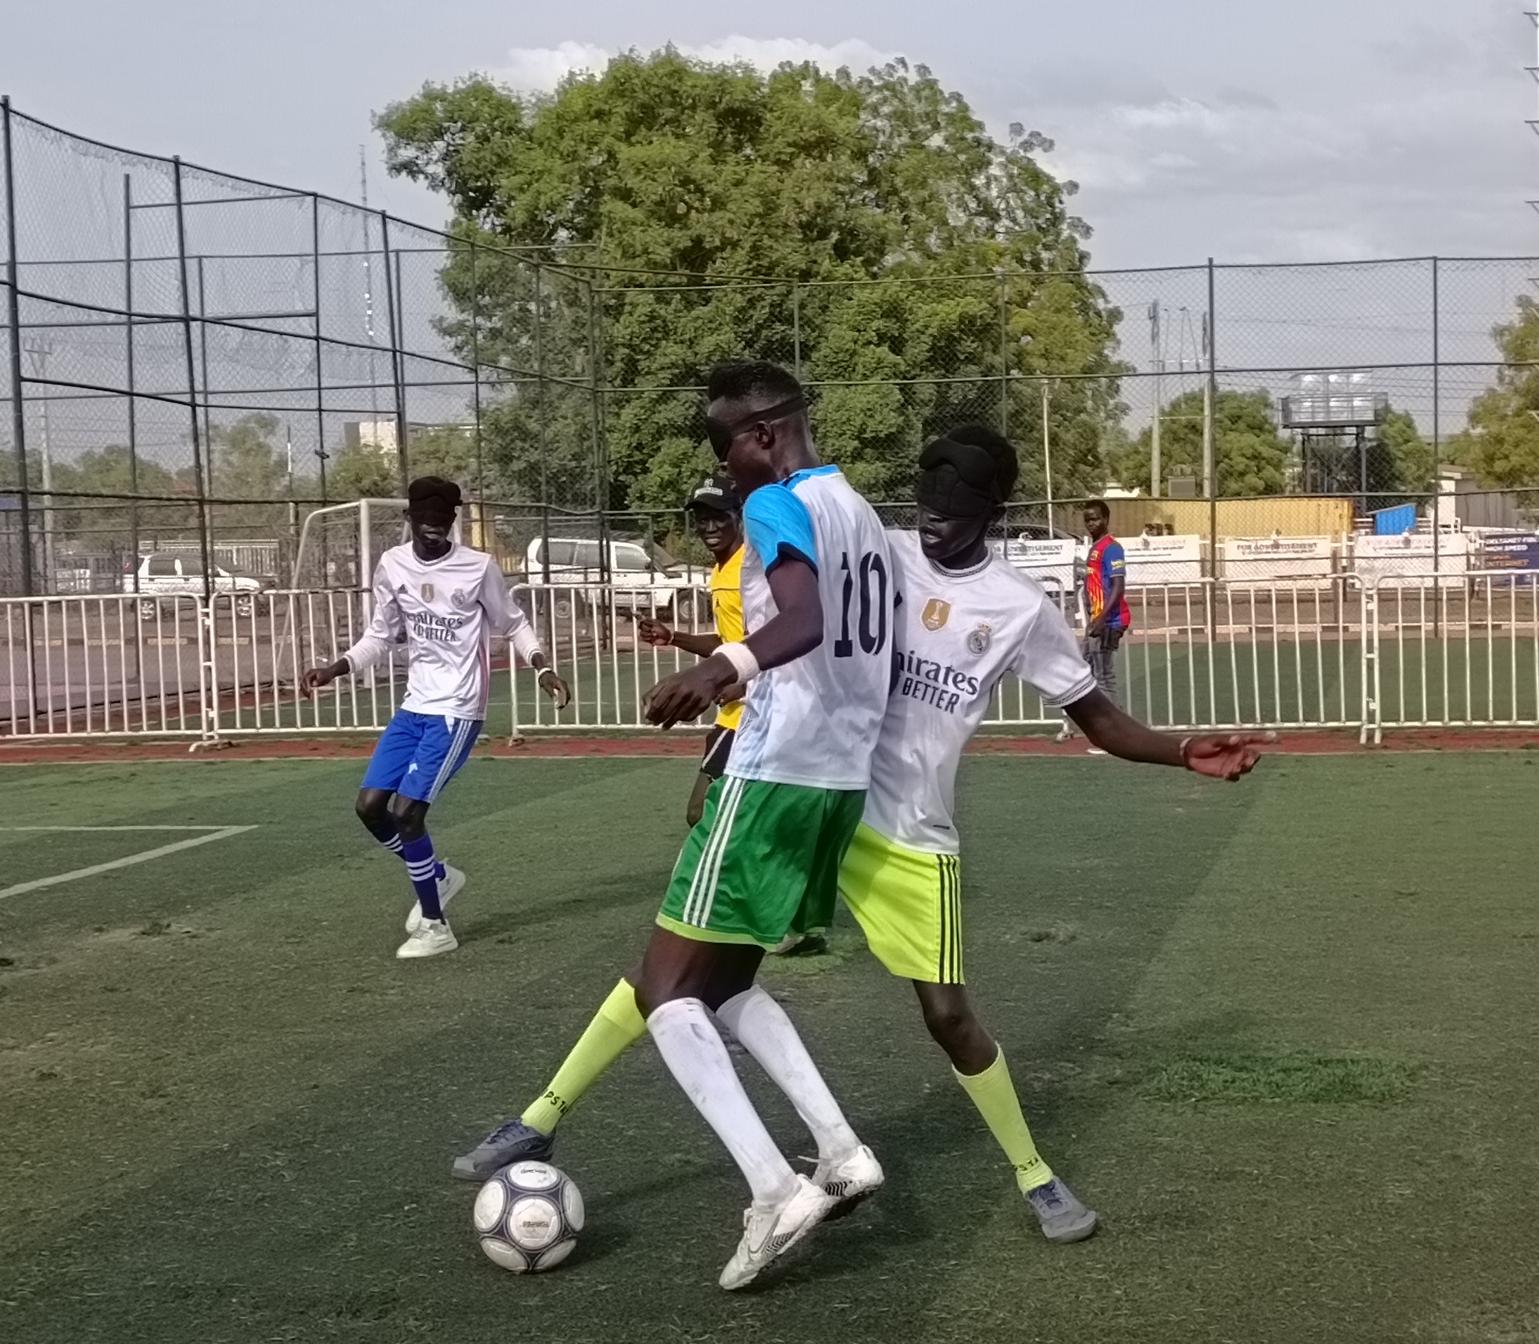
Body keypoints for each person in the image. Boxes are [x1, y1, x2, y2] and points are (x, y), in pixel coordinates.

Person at [455, 428, 1269, 1246]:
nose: (936, 525)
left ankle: (1036, 1175)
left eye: (955, 513)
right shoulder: (876, 549)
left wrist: (1177, 750)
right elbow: (790, 604)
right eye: (927, 507)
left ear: (992, 511)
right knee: (681, 965)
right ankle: (541, 1116)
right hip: (815, 797)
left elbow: (1094, 714)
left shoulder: (1020, 608)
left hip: (909, 832)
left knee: (949, 1015)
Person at [462, 361, 894, 1291]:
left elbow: (808, 620)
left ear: (766, 433)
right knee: (727, 978)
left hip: (773, 770)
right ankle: (842, 1149)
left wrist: (722, 667)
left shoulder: (779, 506)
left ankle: (775, 1187)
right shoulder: (865, 515)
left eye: (725, 447)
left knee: (663, 991)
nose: (726, 471)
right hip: (838, 778)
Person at [303, 475, 570, 959]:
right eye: (424, 520)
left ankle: (435, 925)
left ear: (453, 521)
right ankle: (439, 878)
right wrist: (336, 668)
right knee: (369, 808)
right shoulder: (392, 565)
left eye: (442, 521)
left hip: (457, 710)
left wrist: (542, 666)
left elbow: (514, 624)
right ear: (409, 520)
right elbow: (380, 635)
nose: (433, 529)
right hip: (414, 707)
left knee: (408, 813)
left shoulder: (478, 567)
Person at [637, 470, 748, 827]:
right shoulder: (722, 571)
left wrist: (743, 684)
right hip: (733, 716)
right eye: (703, 519)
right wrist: (673, 637)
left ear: (739, 516)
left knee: (702, 814)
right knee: (706, 814)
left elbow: (777, 643)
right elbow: (728, 644)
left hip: (756, 716)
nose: (710, 527)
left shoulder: (749, 569)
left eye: (719, 516)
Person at [1057, 499, 1130, 747]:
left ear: (1106, 519)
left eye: (1096, 518)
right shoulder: (1095, 548)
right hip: (1096, 623)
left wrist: (1100, 619)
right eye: (1087, 519)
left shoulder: (1111, 548)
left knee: (1104, 677)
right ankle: (1096, 727)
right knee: (1085, 672)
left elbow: (1118, 587)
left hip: (1108, 622)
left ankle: (1119, 736)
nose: (1091, 523)